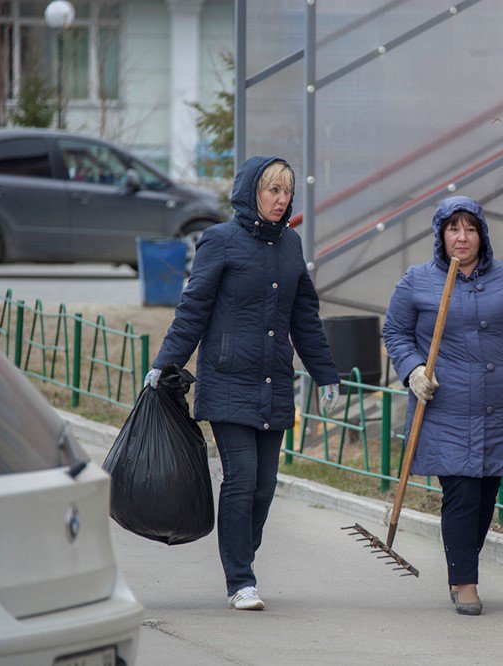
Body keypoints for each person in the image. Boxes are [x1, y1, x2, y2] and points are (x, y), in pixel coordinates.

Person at [144, 156, 341, 611]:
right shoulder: (221, 241)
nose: (281, 199)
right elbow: (192, 309)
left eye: (287, 191)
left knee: (265, 485)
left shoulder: (290, 245)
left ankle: (242, 559)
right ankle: (240, 579)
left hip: (274, 383)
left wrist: (326, 373)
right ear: (252, 192)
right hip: (229, 379)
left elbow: (305, 318)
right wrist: (165, 363)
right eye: (273, 190)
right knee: (242, 478)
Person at [383, 195, 503, 616]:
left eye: (470, 228)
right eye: (453, 228)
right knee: (462, 493)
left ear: (482, 234)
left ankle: (460, 564)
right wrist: (415, 369)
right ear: (440, 234)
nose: (462, 236)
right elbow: (395, 333)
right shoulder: (417, 280)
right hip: (446, 408)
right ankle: (465, 582)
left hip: (499, 407)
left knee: (487, 495)